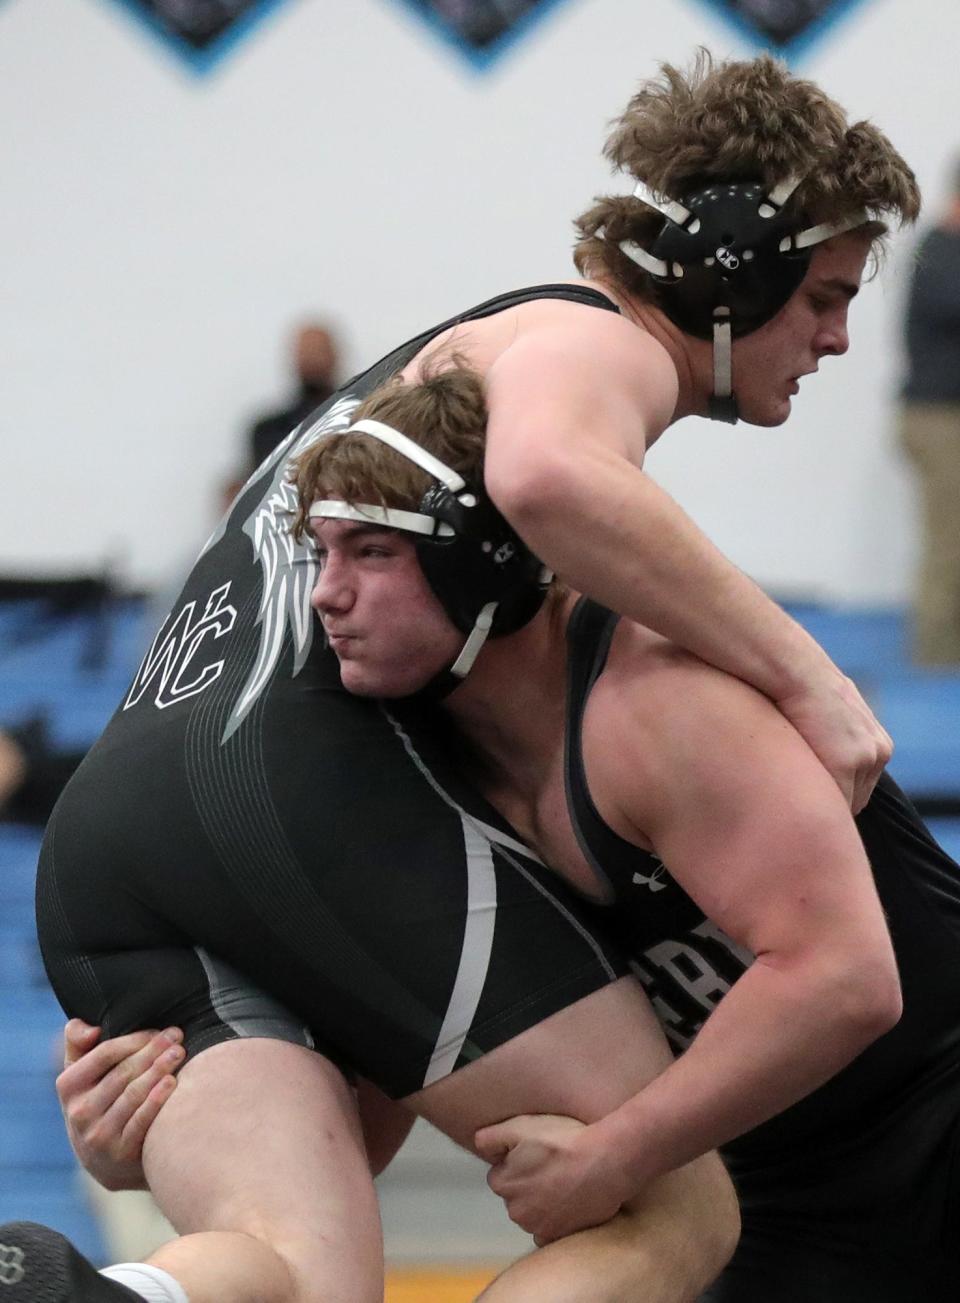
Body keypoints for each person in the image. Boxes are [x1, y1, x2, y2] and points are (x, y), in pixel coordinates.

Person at [9, 50, 916, 1303]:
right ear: (729, 266)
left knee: (298, 1271)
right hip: (295, 778)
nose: (836, 335)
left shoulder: (464, 359)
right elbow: (550, 477)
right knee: (674, 1201)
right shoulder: (589, 339)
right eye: (822, 291)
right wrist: (812, 681)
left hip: (122, 818)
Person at [291, 364, 960, 1300]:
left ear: (484, 553)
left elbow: (846, 979)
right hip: (791, 1194)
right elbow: (380, 1099)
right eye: (320, 553)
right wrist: (169, 1103)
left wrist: (618, 1152)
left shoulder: (654, 700)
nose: (327, 594)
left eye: (371, 551)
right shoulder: (418, 763)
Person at [899, 158, 960, 664]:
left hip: (942, 417)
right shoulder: (940, 255)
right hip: (937, 422)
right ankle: (937, 662)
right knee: (949, 544)